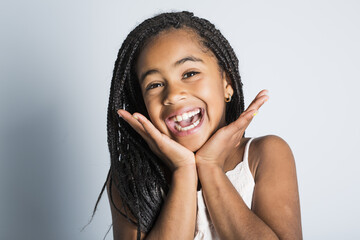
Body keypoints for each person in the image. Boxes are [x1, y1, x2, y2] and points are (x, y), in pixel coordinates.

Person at [96, 11, 302, 239]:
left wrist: (210, 166)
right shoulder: (131, 179)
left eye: (190, 73)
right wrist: (184, 171)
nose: (173, 95)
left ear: (227, 83)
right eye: (154, 85)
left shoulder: (264, 155)